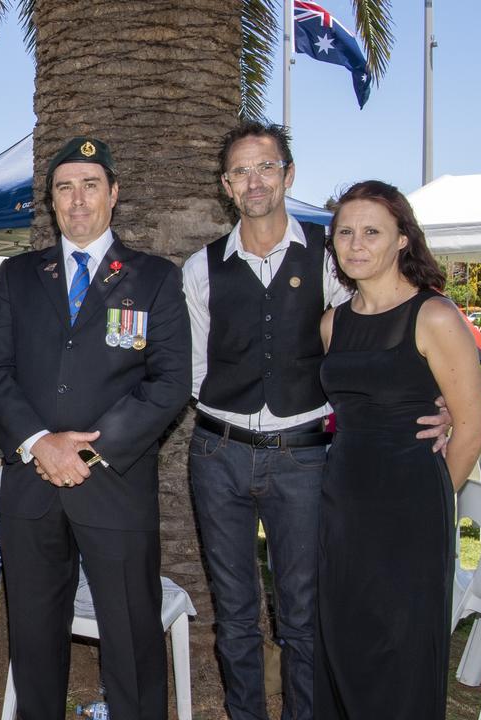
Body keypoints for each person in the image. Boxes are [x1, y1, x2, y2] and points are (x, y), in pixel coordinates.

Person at [184, 123, 451, 720]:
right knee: (233, 610)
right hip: (218, 454)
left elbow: (373, 335)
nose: (254, 181)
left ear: (288, 174)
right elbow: (195, 367)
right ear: (226, 186)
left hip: (305, 457)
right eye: (241, 172)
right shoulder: (200, 270)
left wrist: (440, 411)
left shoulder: (331, 256)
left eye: (266, 167)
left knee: (304, 612)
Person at [0, 137, 191, 720]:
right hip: (31, 483)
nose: (78, 200)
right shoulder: (19, 275)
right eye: (64, 187)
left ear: (114, 194)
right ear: (51, 200)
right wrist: (39, 444)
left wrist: (88, 454)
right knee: (36, 636)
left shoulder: (154, 279)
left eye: (90, 185)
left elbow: (169, 383)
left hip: (113, 486)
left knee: (131, 635)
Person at [315, 180, 481, 718]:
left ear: (402, 241)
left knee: (401, 648)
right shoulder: (332, 323)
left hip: (411, 509)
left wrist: (430, 497)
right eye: (345, 231)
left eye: (372, 231)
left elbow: (473, 426)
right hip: (342, 503)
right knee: (342, 639)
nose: (356, 243)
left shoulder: (434, 315)